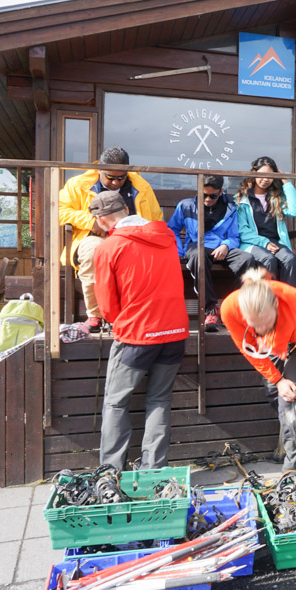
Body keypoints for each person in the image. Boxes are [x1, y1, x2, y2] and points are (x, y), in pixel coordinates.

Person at [91, 191, 188, 470]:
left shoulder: (108, 247)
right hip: (175, 331)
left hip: (136, 333)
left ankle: (111, 471)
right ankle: (153, 471)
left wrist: (117, 321)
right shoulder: (167, 237)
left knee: (116, 403)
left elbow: (107, 305)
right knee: (159, 400)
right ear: (126, 208)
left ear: (101, 219)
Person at [220, 267, 296, 472]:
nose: (261, 329)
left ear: (274, 305)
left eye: (265, 323)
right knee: (273, 391)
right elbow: (249, 350)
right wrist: (278, 380)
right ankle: (295, 427)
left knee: (288, 403)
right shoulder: (230, 309)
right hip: (275, 340)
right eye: (256, 326)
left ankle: (293, 471)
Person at [58, 146, 163, 332]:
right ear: (100, 170)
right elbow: (58, 210)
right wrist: (90, 222)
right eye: (110, 177)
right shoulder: (78, 184)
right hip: (94, 238)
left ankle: (134, 315)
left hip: (132, 239)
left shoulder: (142, 188)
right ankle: (95, 315)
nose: (115, 182)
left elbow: (156, 218)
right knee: (93, 254)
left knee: (146, 259)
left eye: (120, 177)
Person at [167, 175, 254, 332]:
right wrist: (179, 252)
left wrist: (226, 246)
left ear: (221, 192)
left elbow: (235, 236)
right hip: (197, 246)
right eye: (203, 195)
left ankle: (231, 308)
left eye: (212, 196)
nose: (207, 199)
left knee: (247, 260)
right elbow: (172, 228)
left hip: (221, 247)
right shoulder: (186, 206)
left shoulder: (231, 208)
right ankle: (210, 310)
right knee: (197, 257)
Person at [235, 157, 296, 287]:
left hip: (275, 243)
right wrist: (264, 243)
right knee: (268, 259)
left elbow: (295, 211)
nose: (265, 179)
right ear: (254, 173)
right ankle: (267, 301)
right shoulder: (242, 200)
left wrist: (286, 182)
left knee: (290, 258)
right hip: (252, 244)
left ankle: (286, 302)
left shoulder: (276, 197)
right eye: (262, 175)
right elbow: (242, 232)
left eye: (270, 176)